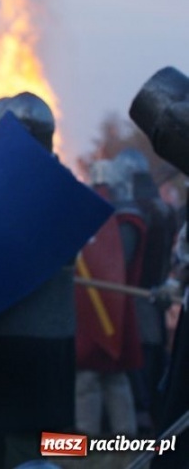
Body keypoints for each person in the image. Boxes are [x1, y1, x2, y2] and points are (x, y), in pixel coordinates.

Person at [0, 92, 76, 469]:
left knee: (37, 449)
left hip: (30, 344)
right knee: (0, 445)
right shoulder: (54, 185)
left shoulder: (46, 189)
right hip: (10, 341)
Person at [74, 158, 143, 437]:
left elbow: (116, 264)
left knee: (92, 378)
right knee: (110, 377)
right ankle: (117, 434)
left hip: (99, 306)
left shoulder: (111, 219)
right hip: (109, 306)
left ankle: (96, 436)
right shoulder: (123, 218)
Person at [113, 148, 179, 434]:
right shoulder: (163, 209)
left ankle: (144, 416)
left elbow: (123, 261)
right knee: (150, 350)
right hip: (156, 294)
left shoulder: (137, 214)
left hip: (137, 296)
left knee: (141, 355)